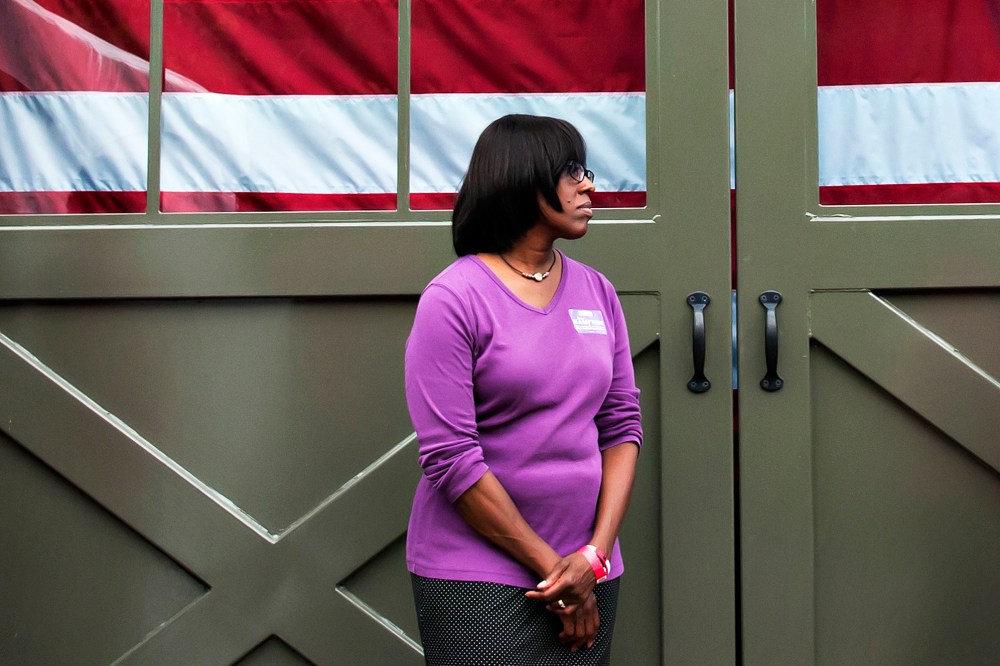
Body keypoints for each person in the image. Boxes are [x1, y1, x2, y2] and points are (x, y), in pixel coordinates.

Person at [404, 114, 643, 665]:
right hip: (477, 577)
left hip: (590, 568)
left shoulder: (597, 291)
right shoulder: (455, 298)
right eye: (572, 171)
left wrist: (594, 558)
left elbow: (622, 425)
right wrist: (558, 575)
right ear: (522, 179)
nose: (589, 186)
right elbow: (451, 459)